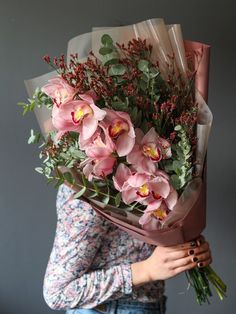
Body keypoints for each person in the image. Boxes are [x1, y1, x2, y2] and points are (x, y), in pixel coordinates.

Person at [43, 183, 212, 314]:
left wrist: (185, 248)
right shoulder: (86, 190)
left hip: (148, 304)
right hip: (106, 309)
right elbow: (58, 293)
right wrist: (146, 270)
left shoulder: (155, 171)